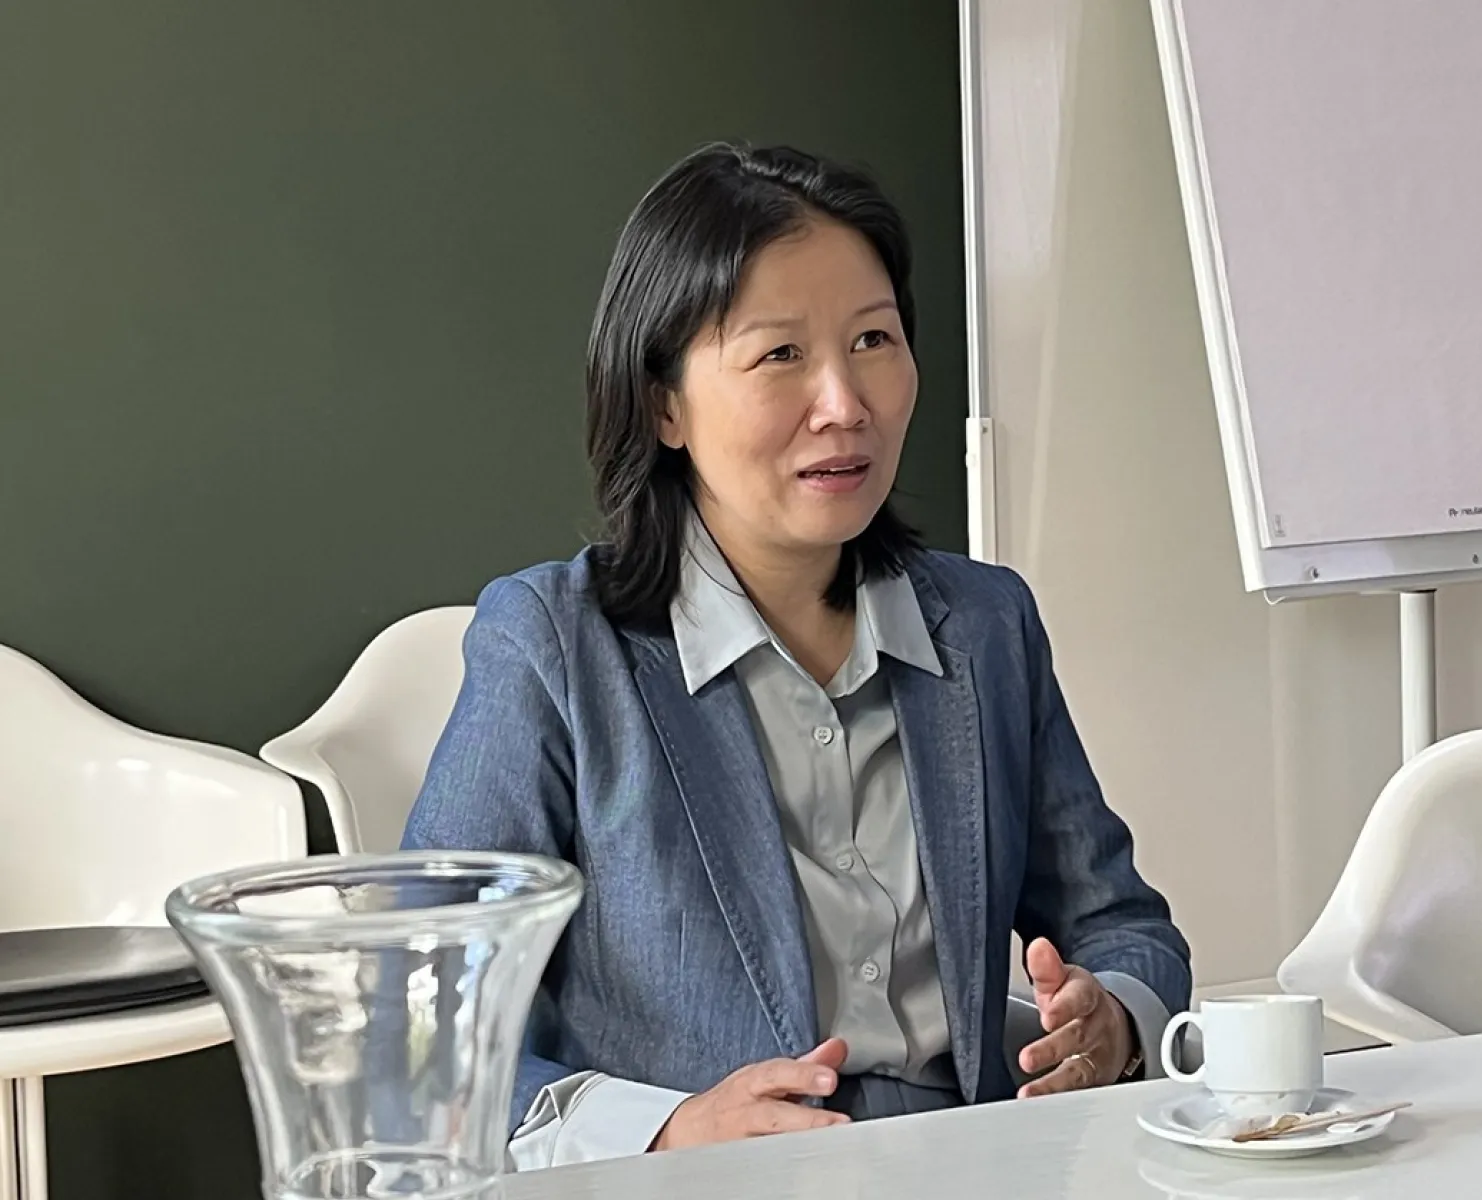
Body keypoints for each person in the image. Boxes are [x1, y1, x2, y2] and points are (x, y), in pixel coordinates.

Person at [402, 141, 1191, 1169]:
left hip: (979, 1167)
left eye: (873, 339)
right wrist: (665, 1130)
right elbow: (418, 1010)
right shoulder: (553, 645)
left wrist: (1112, 1022)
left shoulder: (985, 626)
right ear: (662, 403)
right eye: (780, 355)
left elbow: (1124, 928)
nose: (844, 403)